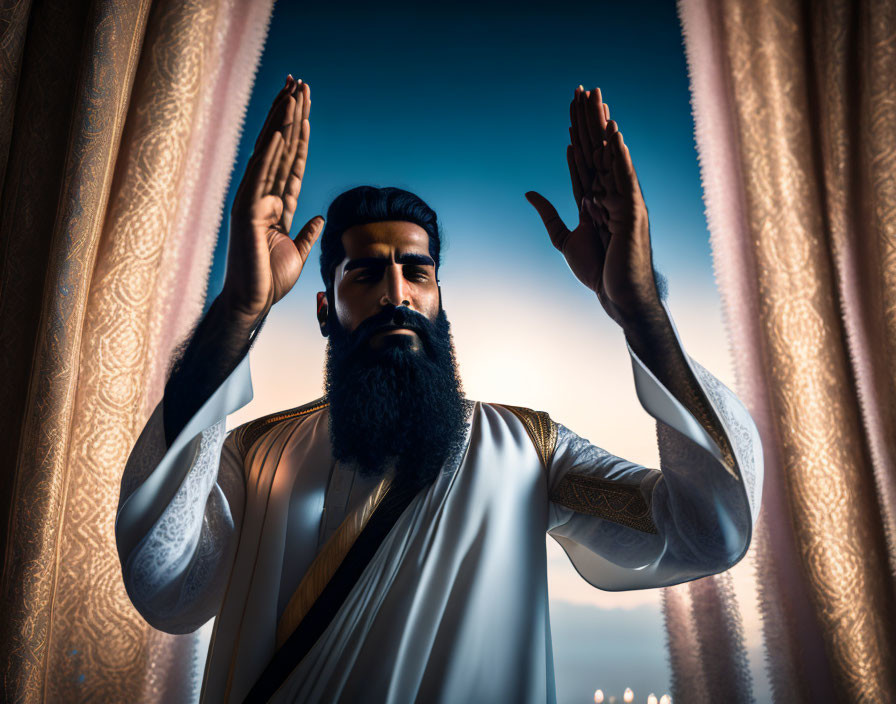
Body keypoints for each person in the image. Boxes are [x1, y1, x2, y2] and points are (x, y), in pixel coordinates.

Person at [115, 76, 762, 704]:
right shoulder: (255, 458)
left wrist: (641, 308)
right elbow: (164, 583)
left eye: (417, 273)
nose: (396, 294)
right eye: (365, 275)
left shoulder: (528, 454)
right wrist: (236, 311)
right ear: (322, 309)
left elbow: (707, 532)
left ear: (440, 299)